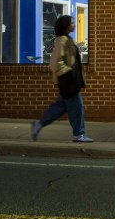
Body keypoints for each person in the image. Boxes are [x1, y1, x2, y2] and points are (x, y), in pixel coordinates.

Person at [31, 15, 93, 143]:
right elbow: (54, 63)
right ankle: (79, 134)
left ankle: (38, 124)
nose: (74, 25)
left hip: (71, 80)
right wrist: (68, 73)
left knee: (61, 106)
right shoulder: (62, 41)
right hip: (68, 81)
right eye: (71, 23)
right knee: (77, 107)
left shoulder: (68, 39)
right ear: (65, 26)